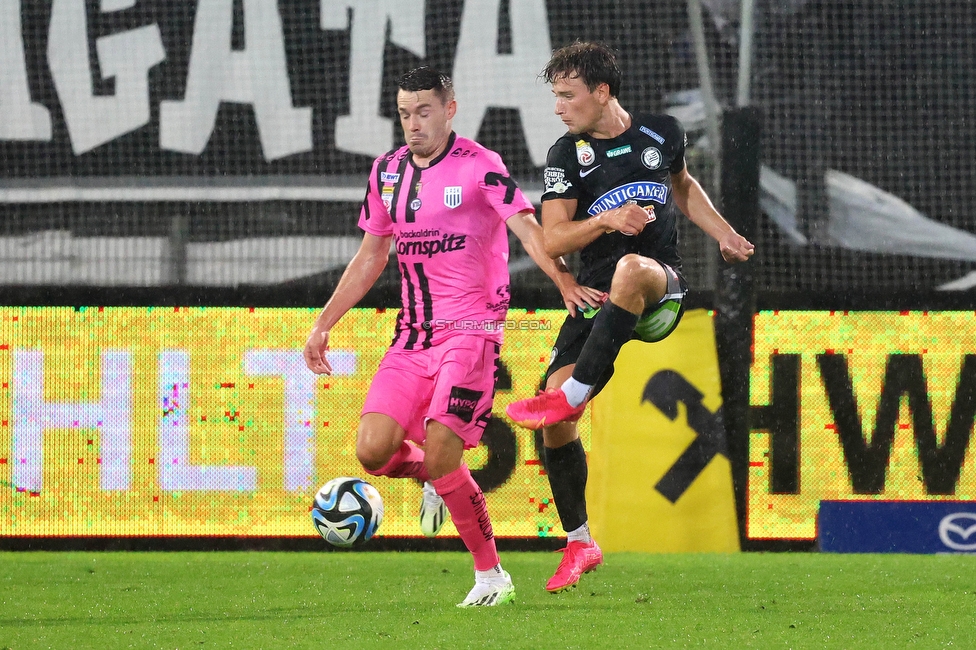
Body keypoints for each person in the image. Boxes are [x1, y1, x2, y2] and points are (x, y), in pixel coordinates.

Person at [303, 66, 594, 607]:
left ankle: (491, 576)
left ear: (449, 109)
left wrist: (563, 279)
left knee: (441, 455)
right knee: (372, 452)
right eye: (405, 113)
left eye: (424, 112)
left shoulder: (481, 166)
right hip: (411, 338)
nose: (413, 124)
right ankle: (438, 480)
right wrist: (323, 323)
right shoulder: (387, 173)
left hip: (472, 333)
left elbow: (529, 228)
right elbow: (371, 256)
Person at [506, 42, 755, 593]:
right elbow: (553, 237)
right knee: (557, 428)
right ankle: (579, 542)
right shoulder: (565, 156)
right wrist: (606, 221)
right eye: (555, 97)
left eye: (568, 96)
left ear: (602, 92)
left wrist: (725, 234)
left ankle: (574, 394)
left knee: (631, 268)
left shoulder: (661, 132)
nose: (559, 108)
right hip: (597, 301)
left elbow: (684, 188)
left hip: (657, 287)